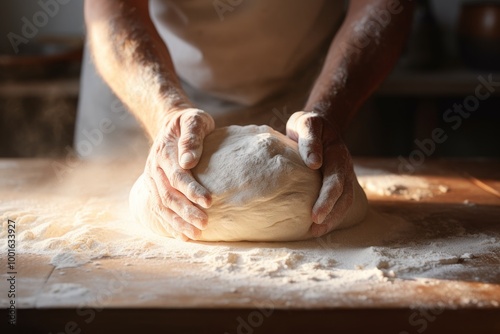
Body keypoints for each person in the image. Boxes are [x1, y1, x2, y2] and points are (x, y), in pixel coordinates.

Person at [78, 0, 414, 241]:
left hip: (315, 79)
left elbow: (385, 6)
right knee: (133, 190)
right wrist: (165, 112)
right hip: (146, 79)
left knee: (329, 189)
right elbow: (110, 10)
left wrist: (328, 112)